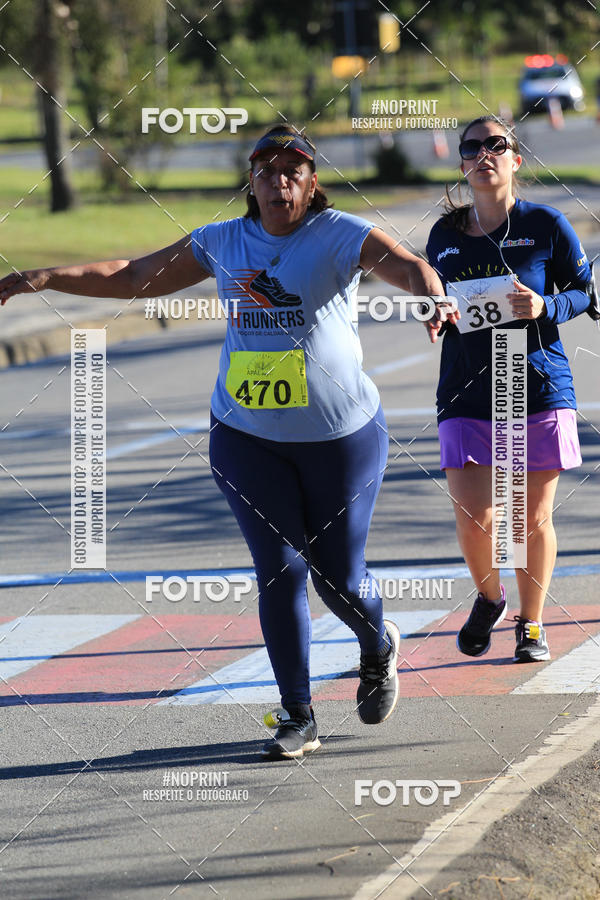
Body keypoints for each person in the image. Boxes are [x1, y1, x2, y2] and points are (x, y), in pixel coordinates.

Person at [0, 124, 449, 760]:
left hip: (341, 437)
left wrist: (433, 298)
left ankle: (377, 644)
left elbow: (407, 266)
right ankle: (298, 715)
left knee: (338, 578)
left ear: (312, 182)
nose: (279, 180)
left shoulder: (338, 233)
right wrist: (48, 278)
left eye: (293, 170)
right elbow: (134, 275)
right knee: (280, 571)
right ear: (251, 182)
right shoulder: (223, 241)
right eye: (266, 170)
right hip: (245, 436)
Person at [425, 115, 593, 664]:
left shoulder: (545, 224)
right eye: (472, 147)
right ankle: (490, 597)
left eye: (497, 145)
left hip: (535, 381)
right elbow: (433, 297)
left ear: (515, 160)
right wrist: (433, 311)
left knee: (528, 517)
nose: (484, 154)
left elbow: (585, 295)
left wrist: (546, 304)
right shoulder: (444, 236)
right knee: (476, 517)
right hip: (468, 388)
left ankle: (533, 624)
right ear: (462, 164)